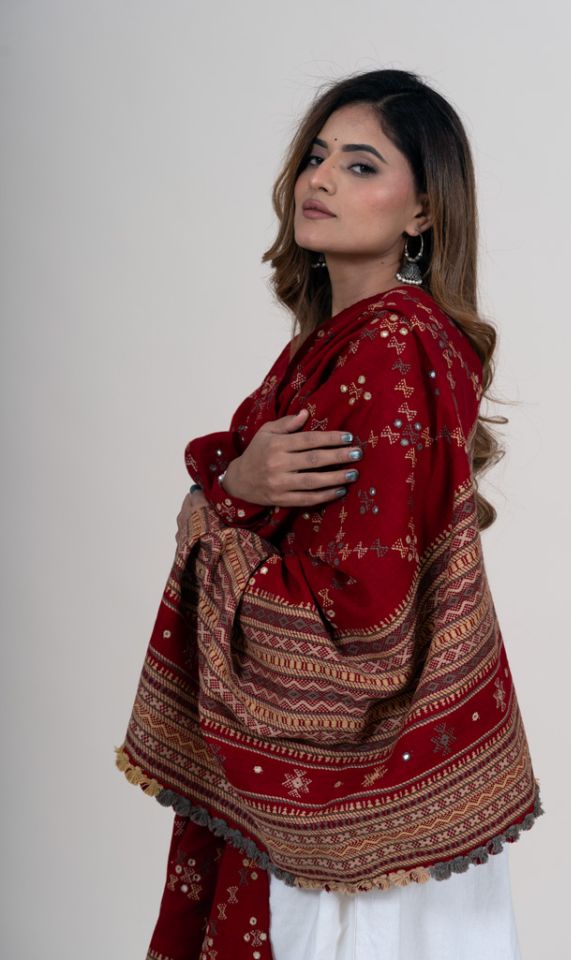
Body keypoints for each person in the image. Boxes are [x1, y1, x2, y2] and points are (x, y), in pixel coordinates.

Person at [116, 68, 543, 960]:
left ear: (422, 212)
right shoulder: (335, 345)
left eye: (360, 166)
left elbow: (367, 619)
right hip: (357, 788)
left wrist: (216, 515)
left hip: (348, 800)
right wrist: (234, 488)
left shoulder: (391, 346)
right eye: (316, 157)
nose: (320, 180)